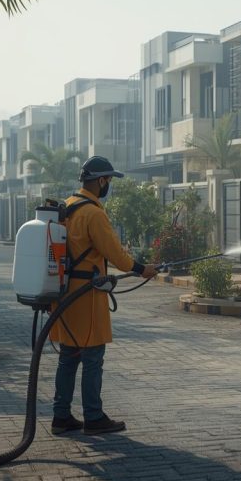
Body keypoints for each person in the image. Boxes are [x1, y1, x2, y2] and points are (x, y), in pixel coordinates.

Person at [50, 156, 158, 435]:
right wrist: (141, 269)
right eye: (108, 180)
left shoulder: (69, 206)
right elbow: (114, 253)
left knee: (69, 354)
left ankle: (61, 416)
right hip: (86, 295)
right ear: (100, 181)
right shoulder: (94, 214)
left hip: (64, 294)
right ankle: (94, 417)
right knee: (93, 355)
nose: (108, 184)